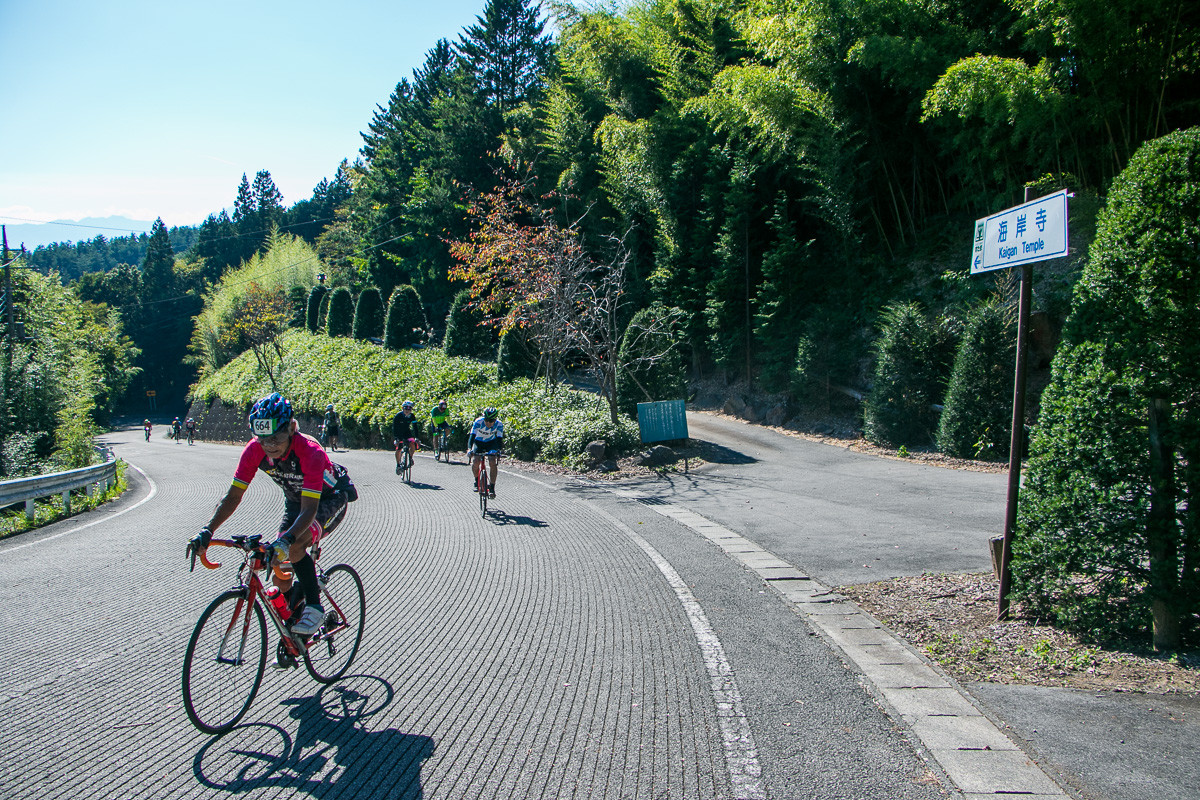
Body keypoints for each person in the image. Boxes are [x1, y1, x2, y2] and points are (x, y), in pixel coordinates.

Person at [190, 392, 352, 643]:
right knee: (279, 565)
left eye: (276, 438)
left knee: (295, 545)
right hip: (295, 500)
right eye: (262, 438)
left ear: (292, 428)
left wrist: (287, 542)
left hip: (328, 499)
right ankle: (292, 626)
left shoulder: (310, 452)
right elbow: (232, 497)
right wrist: (207, 530)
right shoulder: (255, 450)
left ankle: (314, 607)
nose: (269, 446)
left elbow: (309, 512)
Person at [468, 407, 504, 498]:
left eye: (491, 421)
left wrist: (499, 451)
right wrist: (469, 449)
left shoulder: (499, 424)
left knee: (492, 461)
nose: (488, 423)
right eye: (486, 420)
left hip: (491, 443)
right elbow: (472, 436)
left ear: (495, 420)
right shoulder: (478, 422)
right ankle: (476, 481)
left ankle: (492, 487)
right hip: (478, 442)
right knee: (476, 461)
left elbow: (499, 439)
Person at [392, 400, 421, 475]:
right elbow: (394, 428)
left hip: (406, 432)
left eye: (409, 409)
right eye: (406, 408)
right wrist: (396, 438)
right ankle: (398, 465)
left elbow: (415, 427)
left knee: (413, 443)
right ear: (402, 408)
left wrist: (417, 438)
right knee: (399, 448)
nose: (407, 410)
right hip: (399, 433)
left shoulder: (412, 416)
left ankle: (410, 458)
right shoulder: (398, 416)